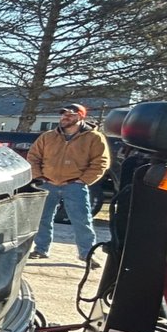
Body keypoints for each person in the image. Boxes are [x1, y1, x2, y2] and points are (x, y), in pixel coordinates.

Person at [27, 103, 110, 260]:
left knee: (82, 220)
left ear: (80, 117)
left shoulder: (94, 137)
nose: (66, 117)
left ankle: (86, 254)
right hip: (47, 183)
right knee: (43, 218)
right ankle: (41, 250)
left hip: (75, 186)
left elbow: (101, 162)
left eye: (71, 115)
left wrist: (82, 181)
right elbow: (33, 157)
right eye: (63, 114)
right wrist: (39, 176)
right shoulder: (48, 136)